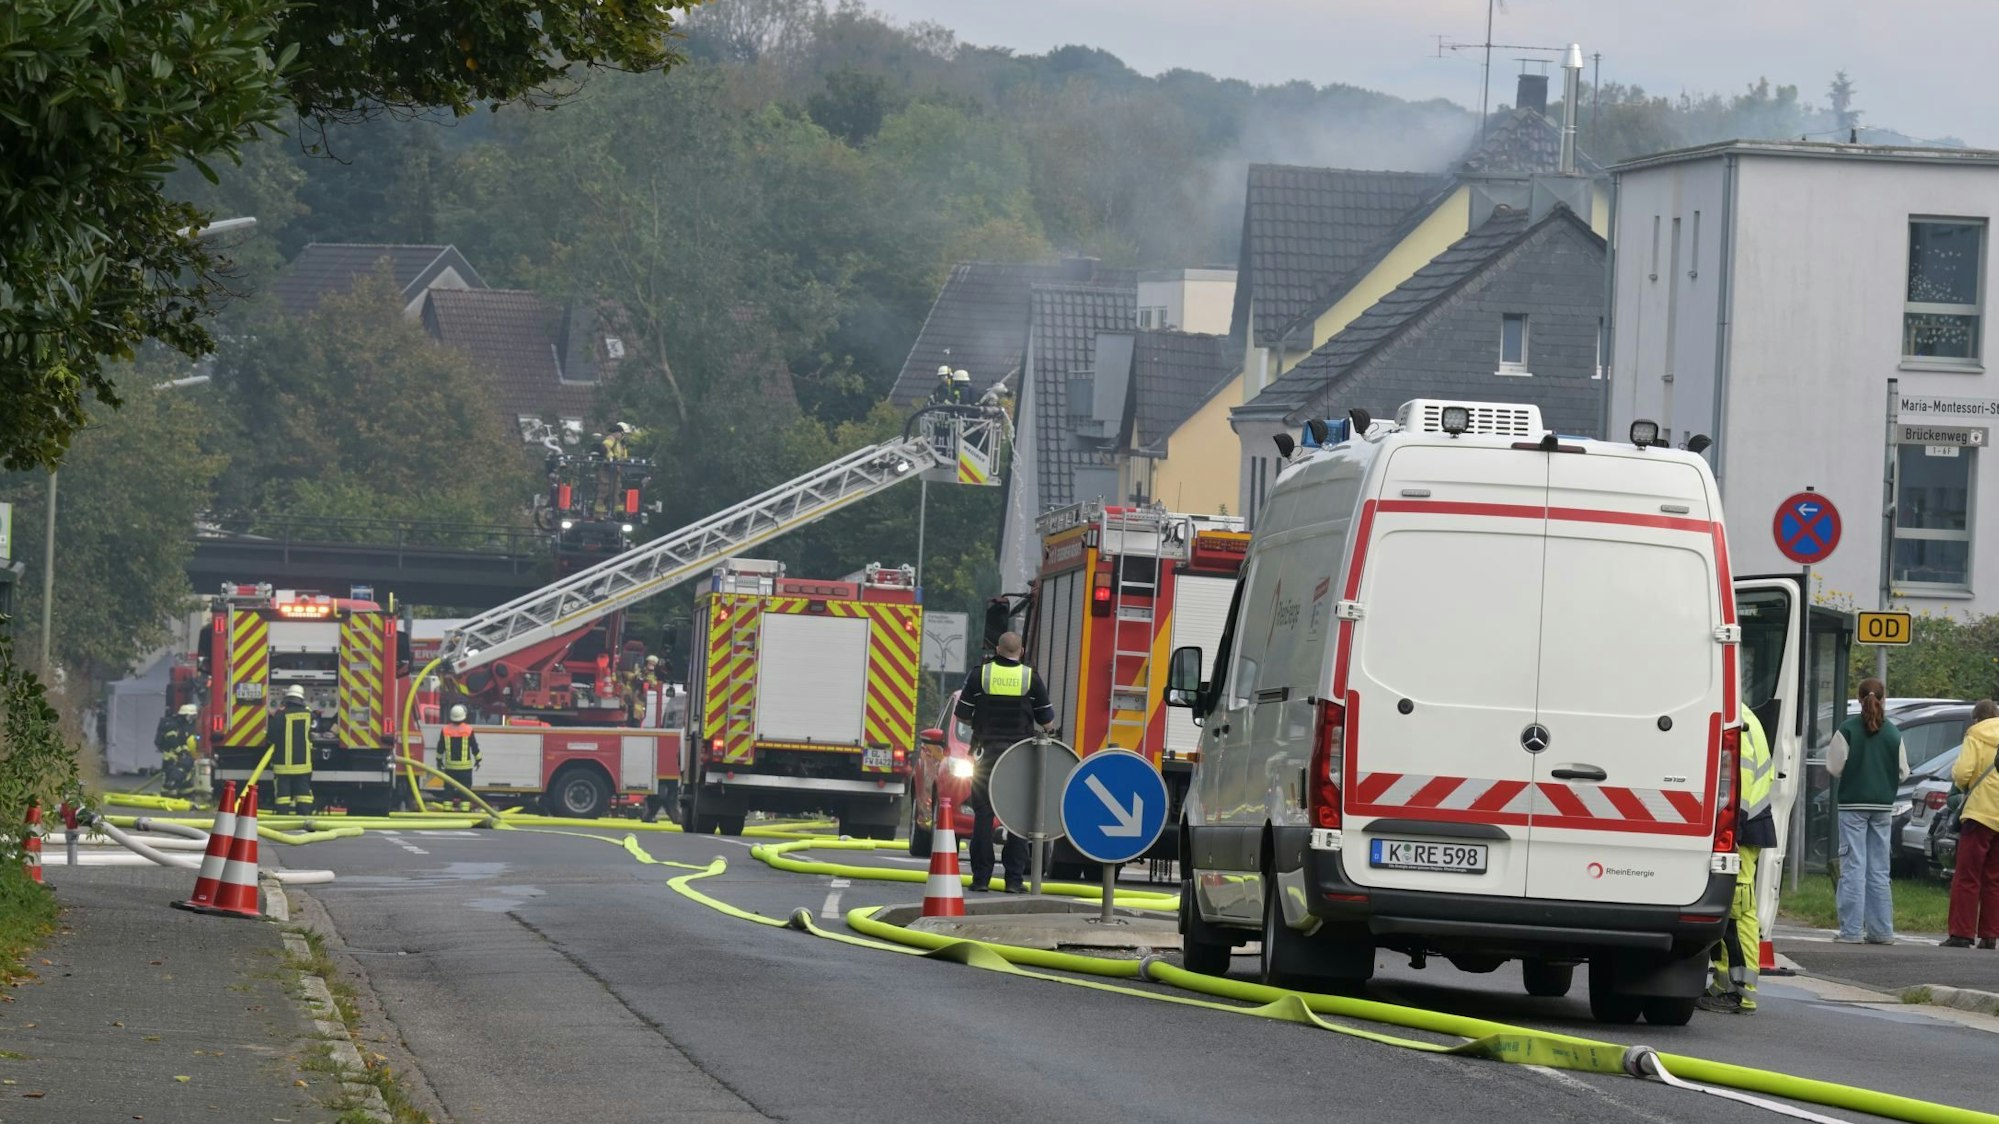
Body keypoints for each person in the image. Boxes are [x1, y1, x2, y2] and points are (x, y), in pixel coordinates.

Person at [954, 631, 1055, 893]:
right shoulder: (1031, 678)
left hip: (986, 755)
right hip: (1019, 758)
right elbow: (1047, 722)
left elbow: (962, 715)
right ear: (1021, 652)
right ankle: (1013, 881)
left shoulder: (980, 675)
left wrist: (981, 722)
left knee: (983, 816)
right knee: (1017, 819)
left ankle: (981, 879)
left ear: (997, 649)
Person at [1700, 698, 1777, 1013]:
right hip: (1745, 824)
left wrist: (1731, 829)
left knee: (1737, 908)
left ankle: (1741, 991)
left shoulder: (1736, 718)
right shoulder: (1742, 714)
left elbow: (1738, 783)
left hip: (1740, 826)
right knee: (1732, 909)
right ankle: (1725, 985)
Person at [1828, 678, 1908, 944]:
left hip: (1852, 804)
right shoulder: (1893, 733)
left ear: (1858, 698)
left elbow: (1834, 767)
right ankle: (1882, 930)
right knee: (1879, 869)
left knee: (1853, 866)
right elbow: (1903, 772)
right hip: (1883, 806)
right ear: (1883, 699)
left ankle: (1851, 930)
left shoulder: (1847, 729)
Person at [1942, 699, 1999, 949]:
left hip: (1979, 812)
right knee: (1994, 878)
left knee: (1967, 875)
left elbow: (1963, 772)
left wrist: (1962, 783)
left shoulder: (1975, 735)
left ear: (1976, 719)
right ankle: (1990, 935)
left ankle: (1962, 933)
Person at [269, 684, 316, 812]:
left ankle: (282, 816)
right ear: (301, 699)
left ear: (287, 699)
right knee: (303, 793)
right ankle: (304, 816)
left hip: (282, 764)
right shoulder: (308, 714)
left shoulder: (280, 715)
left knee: (283, 795)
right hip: (303, 764)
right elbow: (315, 730)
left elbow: (271, 737)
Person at [437, 705, 482, 811]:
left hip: (450, 768)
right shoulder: (468, 730)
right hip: (465, 769)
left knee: (448, 790)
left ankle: (447, 809)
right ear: (463, 716)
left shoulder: (445, 730)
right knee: (465, 790)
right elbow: (474, 746)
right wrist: (478, 759)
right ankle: (465, 811)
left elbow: (440, 747)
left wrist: (438, 760)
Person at [160, 703, 202, 800]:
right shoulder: (172, 724)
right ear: (184, 715)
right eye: (190, 716)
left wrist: (186, 750)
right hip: (171, 755)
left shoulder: (184, 726)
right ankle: (169, 791)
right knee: (173, 772)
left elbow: (183, 740)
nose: (191, 719)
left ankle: (185, 792)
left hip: (179, 755)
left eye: (193, 717)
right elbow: (172, 739)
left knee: (186, 771)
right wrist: (180, 751)